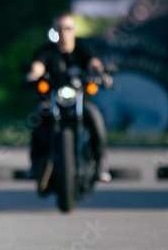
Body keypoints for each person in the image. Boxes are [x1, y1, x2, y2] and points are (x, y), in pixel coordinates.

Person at [25, 13, 111, 183]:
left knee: (94, 117)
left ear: (74, 30)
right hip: (53, 102)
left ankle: (101, 163)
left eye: (68, 28)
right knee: (38, 118)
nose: (64, 32)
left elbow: (93, 62)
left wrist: (99, 72)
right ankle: (35, 164)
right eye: (60, 28)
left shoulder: (83, 49)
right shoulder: (47, 51)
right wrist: (33, 74)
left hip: (79, 102)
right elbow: (38, 65)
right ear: (55, 30)